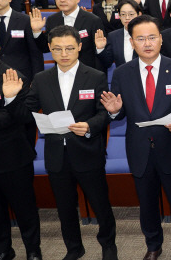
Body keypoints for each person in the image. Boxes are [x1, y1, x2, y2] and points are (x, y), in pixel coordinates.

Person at [100, 15, 171, 260]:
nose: (147, 43)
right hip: (140, 150)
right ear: (132, 42)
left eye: (152, 37)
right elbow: (121, 109)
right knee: (147, 205)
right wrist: (114, 111)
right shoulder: (122, 73)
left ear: (161, 40)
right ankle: (153, 245)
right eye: (141, 38)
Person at [16, 25, 118, 260]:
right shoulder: (41, 79)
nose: (64, 53)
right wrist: (12, 97)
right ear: (50, 48)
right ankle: (74, 248)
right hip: (56, 155)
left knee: (101, 204)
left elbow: (104, 113)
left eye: (70, 48)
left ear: (80, 47)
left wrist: (90, 126)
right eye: (58, 48)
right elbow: (25, 114)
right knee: (65, 208)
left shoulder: (95, 76)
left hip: (87, 150)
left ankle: (108, 246)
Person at [0, 29, 42, 260]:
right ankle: (2, 250)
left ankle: (33, 250)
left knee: (24, 209)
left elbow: (13, 117)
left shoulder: (13, 75)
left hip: (11, 154)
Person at [30, 0, 107, 72]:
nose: (62, 0)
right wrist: (37, 31)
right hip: (61, 72)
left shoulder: (93, 20)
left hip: (86, 73)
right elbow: (46, 48)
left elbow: (100, 55)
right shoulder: (52, 19)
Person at [95, 0, 141, 68]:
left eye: (131, 14)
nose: (127, 18)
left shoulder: (147, 34)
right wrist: (101, 49)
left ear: (139, 14)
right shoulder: (113, 36)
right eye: (123, 14)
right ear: (119, 16)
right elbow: (107, 63)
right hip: (123, 76)